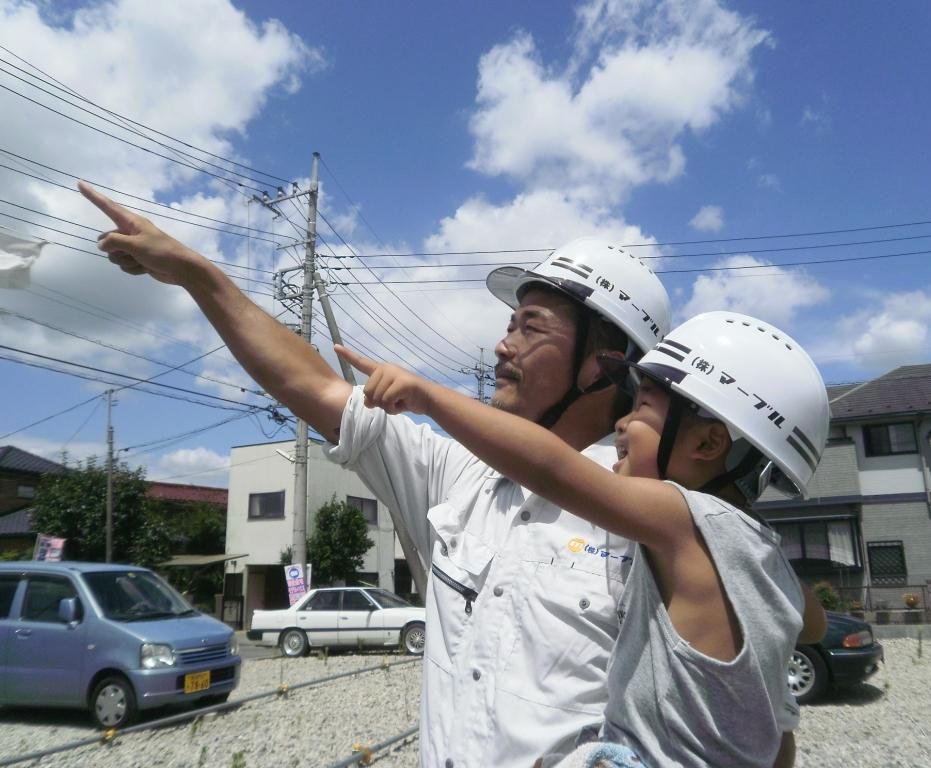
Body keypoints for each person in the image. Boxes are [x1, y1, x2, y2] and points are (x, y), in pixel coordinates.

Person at [78, 180, 674, 767]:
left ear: (602, 366)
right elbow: (309, 384)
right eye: (509, 323)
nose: (501, 345)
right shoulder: (459, 473)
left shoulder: (655, 519)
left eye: (531, 326)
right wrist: (195, 274)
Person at [332, 309, 831, 767]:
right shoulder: (763, 558)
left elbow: (550, 466)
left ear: (707, 441)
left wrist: (428, 396)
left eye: (643, 409)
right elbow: (809, 631)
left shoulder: (682, 521)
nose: (621, 423)